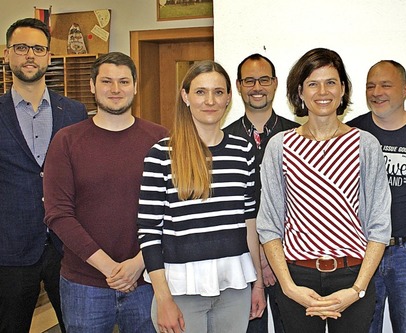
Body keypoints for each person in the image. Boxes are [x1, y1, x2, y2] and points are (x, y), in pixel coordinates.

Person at [257, 47, 391, 333]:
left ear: (343, 89)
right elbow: (268, 225)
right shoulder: (280, 146)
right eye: (313, 84)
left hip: (353, 276)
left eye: (331, 82)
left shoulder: (365, 144)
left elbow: (380, 226)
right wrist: (289, 287)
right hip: (297, 278)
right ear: (300, 93)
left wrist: (356, 290)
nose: (323, 91)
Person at [43, 52, 168, 332]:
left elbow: (171, 209)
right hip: (83, 286)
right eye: (106, 81)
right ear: (91, 85)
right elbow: (58, 214)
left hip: (147, 280)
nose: (115, 89)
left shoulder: (160, 139)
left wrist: (139, 263)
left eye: (124, 81)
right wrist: (110, 268)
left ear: (135, 86)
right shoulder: (66, 141)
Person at [138, 60, 265, 333]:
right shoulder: (160, 155)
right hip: (180, 291)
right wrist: (163, 299)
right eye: (200, 92)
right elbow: (148, 233)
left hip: (235, 289)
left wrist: (257, 284)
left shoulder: (243, 152)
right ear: (185, 96)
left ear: (229, 98)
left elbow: (249, 224)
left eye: (218, 92)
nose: (210, 100)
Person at [0, 18, 87, 333]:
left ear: (49, 57)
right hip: (9, 248)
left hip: (68, 246)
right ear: (8, 54)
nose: (29, 56)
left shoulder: (75, 112)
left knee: (78, 326)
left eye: (38, 48)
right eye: (21, 48)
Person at [347, 60, 406, 333]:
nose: (377, 92)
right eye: (370, 86)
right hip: (361, 252)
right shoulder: (351, 135)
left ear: (405, 90)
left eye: (386, 85)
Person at [224, 53, 298, 333]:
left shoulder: (297, 136)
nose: (257, 87)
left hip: (290, 258)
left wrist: (271, 256)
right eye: (250, 81)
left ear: (275, 83)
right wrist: (258, 260)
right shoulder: (224, 140)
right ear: (239, 85)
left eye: (264, 80)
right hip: (241, 262)